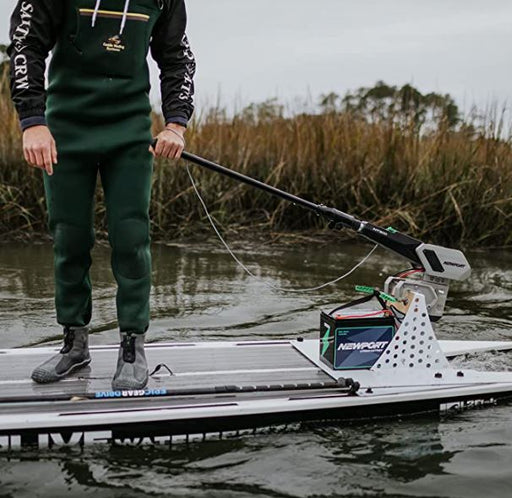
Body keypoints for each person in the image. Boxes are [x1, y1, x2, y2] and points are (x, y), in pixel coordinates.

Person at [8, 0, 195, 390]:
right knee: (69, 237)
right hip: (64, 129)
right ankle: (74, 346)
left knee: (131, 237)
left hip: (129, 132)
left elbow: (176, 56)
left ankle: (132, 345)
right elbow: (26, 45)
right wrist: (32, 121)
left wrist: (175, 123)